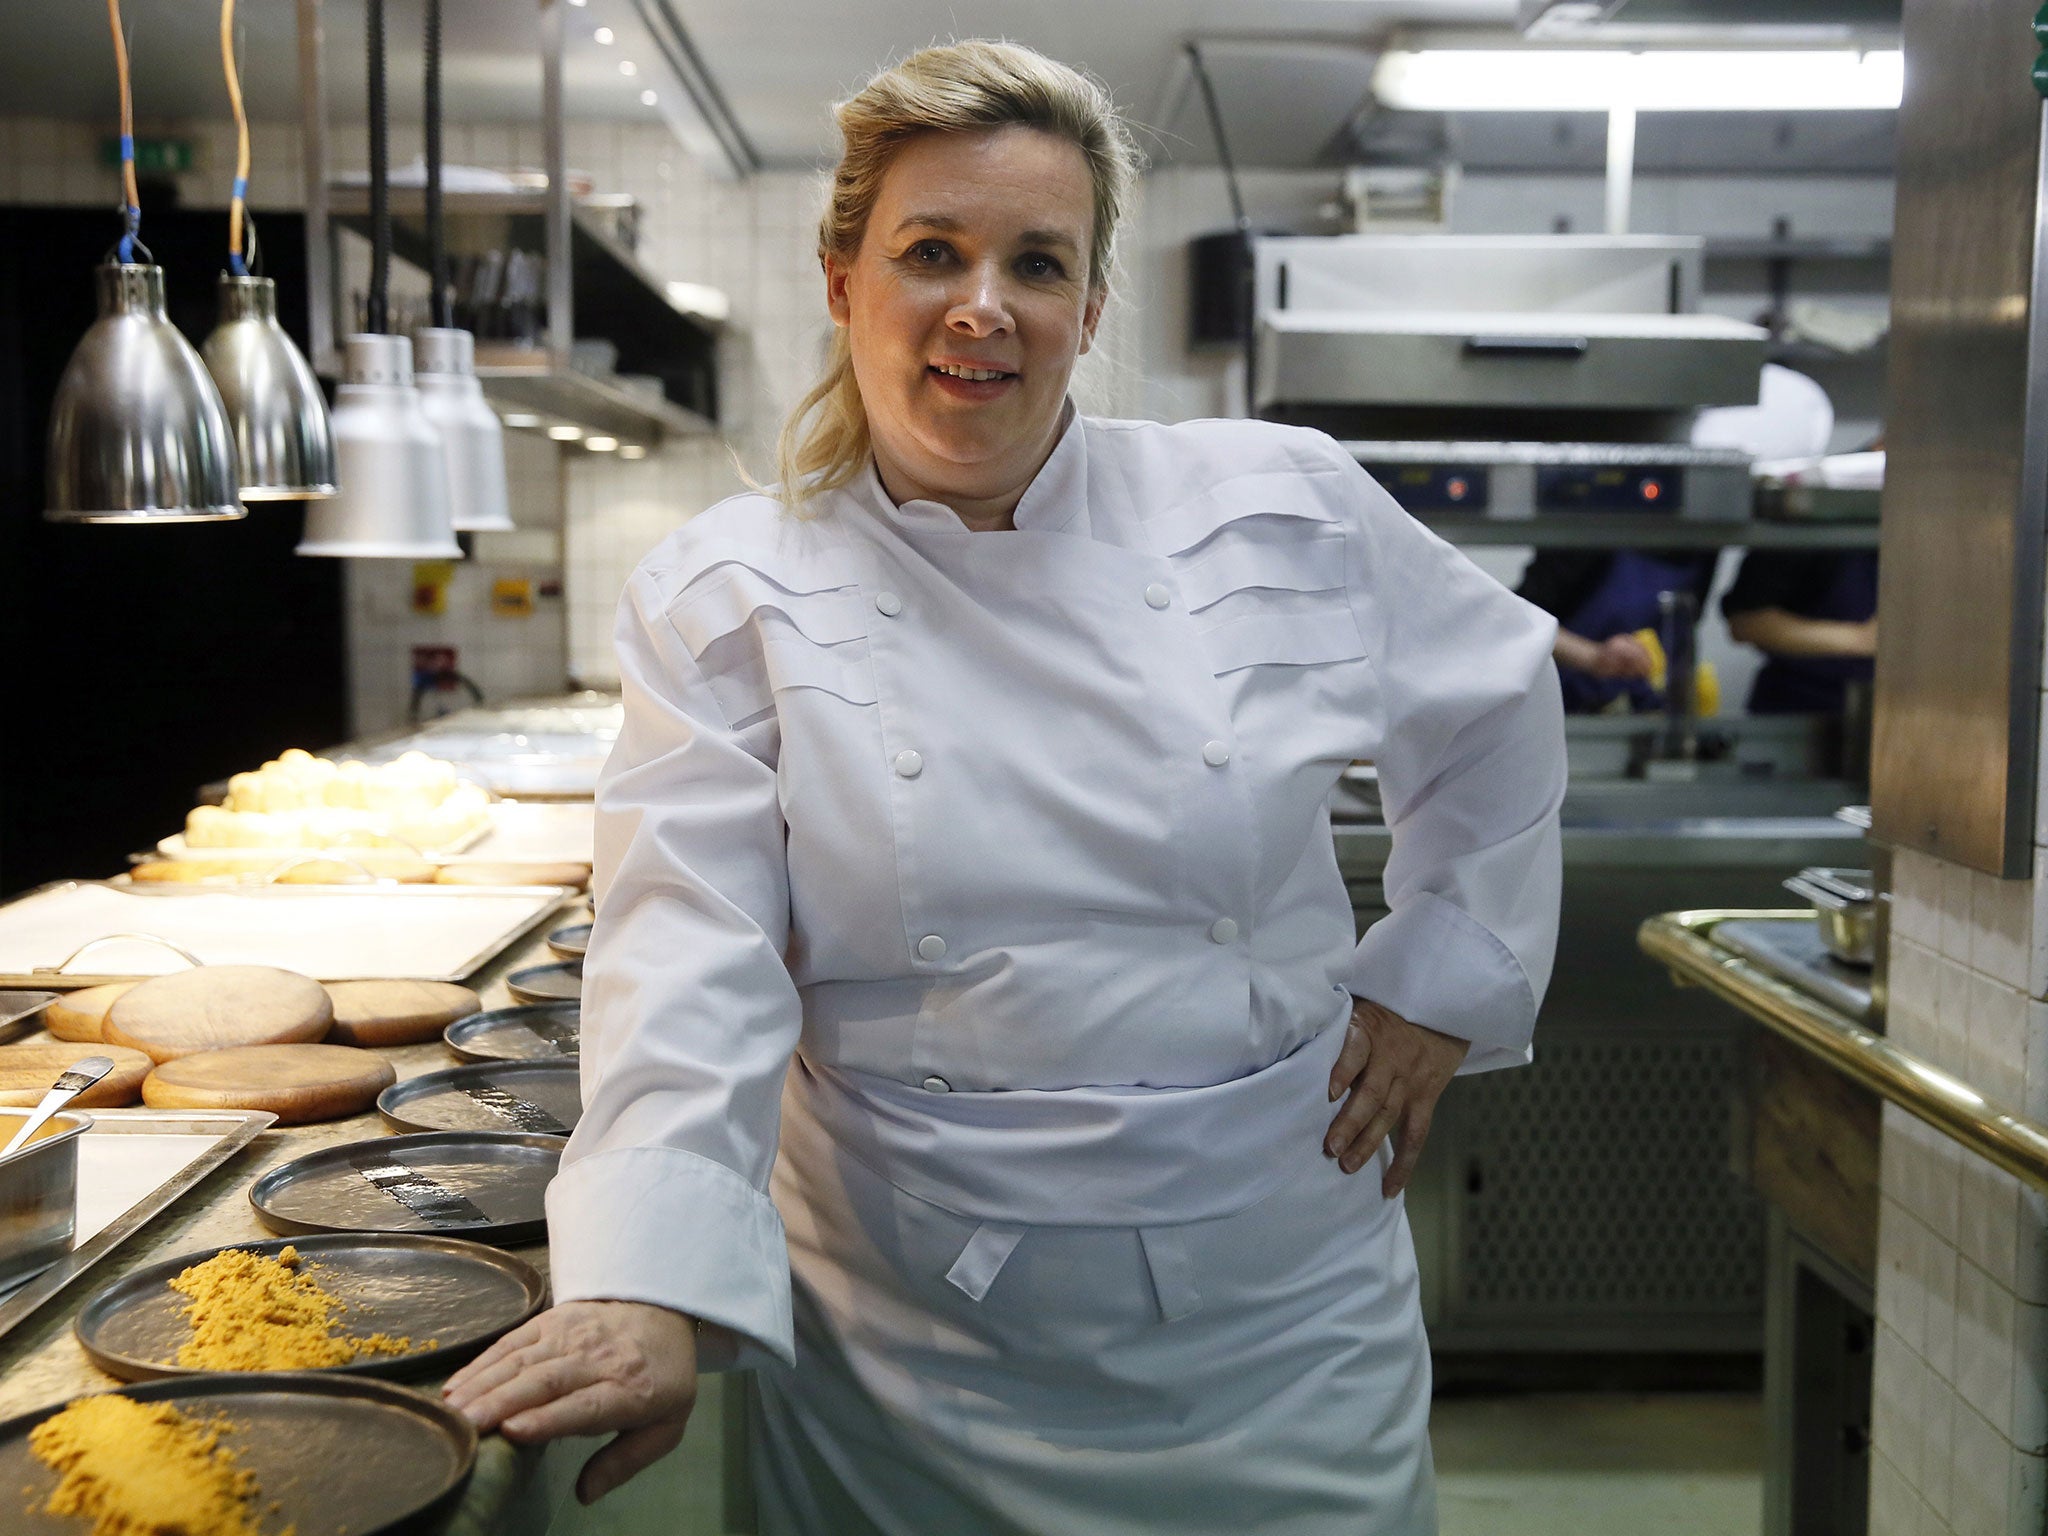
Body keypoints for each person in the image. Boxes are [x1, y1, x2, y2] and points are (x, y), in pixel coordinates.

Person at [444, 40, 1565, 1535]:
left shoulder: (1280, 503)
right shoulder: (728, 590)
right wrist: (649, 1285)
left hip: (1279, 1311)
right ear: (844, 281)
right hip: (915, 1344)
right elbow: (684, 956)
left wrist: (1439, 977)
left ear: (1088, 309)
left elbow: (1494, 696)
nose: (985, 305)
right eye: (932, 252)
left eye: (1038, 262)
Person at [1516, 549, 1718, 713]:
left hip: (1655, 714)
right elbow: (1522, 621)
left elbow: (1686, 623)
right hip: (1572, 710)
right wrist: (1594, 656)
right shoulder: (1594, 522)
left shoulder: (1703, 538)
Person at [1720, 546, 1879, 713]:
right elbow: (1746, 621)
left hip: (1890, 712)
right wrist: (1859, 638)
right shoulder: (1814, 538)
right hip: (1799, 708)